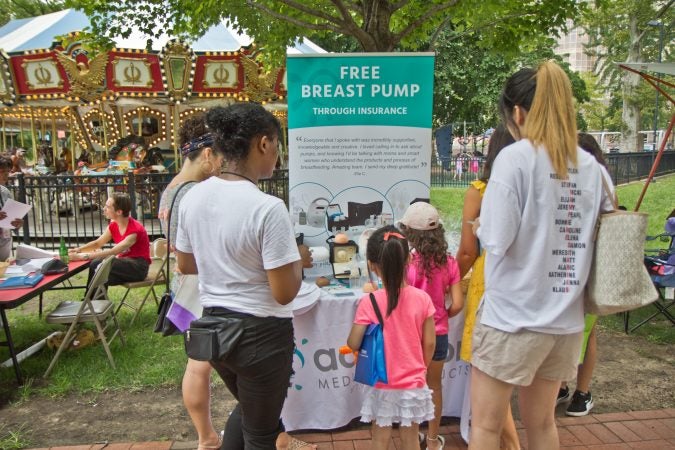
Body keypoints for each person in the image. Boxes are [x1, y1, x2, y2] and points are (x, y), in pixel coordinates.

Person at [469, 61, 614, 449]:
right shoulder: (591, 167)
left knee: (485, 426)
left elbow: (496, 239)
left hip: (511, 318)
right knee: (543, 425)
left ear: (517, 113)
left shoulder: (515, 158)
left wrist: (478, 226)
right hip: (565, 320)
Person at [174, 102, 306, 450]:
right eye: (278, 148)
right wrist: (298, 260)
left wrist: (227, 260)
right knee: (263, 435)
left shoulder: (192, 198)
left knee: (251, 414)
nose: (277, 158)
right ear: (264, 143)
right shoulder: (267, 207)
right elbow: (284, 293)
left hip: (216, 333)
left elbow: (185, 264)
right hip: (261, 336)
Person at [157, 114, 225, 450]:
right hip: (203, 285)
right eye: (221, 153)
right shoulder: (197, 194)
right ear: (207, 153)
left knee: (198, 363)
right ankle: (207, 438)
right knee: (200, 365)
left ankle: (206, 435)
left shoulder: (170, 190)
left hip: (182, 286)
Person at [455, 124, 520, 450]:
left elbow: (467, 251)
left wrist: (449, 280)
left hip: (490, 284)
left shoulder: (480, 191)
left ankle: (512, 445)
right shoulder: (538, 186)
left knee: (489, 378)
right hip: (529, 286)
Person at [347, 225, 436, 450]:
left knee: (380, 437)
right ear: (408, 259)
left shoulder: (369, 301)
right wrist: (420, 367)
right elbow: (430, 343)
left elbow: (353, 343)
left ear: (373, 266)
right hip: (413, 380)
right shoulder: (423, 299)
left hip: (381, 380)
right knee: (411, 439)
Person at [557, 132, 617, 417]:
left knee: (582, 331)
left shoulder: (591, 180)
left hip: (580, 268)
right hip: (573, 267)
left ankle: (579, 390)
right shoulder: (586, 182)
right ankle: (567, 387)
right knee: (575, 331)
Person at [398, 201, 464, 450]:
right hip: (438, 334)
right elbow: (458, 303)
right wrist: (442, 315)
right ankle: (434, 440)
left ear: (410, 234)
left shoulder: (407, 263)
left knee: (413, 387)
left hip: (411, 335)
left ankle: (413, 438)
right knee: (435, 385)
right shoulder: (449, 263)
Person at [69, 192, 151, 288]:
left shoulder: (135, 230)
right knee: (98, 267)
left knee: (99, 264)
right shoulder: (114, 225)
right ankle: (95, 300)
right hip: (123, 263)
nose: (104, 209)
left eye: (107, 207)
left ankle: (93, 300)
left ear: (119, 212)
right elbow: (98, 243)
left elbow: (113, 252)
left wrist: (82, 257)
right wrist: (78, 250)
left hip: (138, 268)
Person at [0, 155, 24, 261]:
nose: (6, 175)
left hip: (4, 244)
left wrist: (17, 224)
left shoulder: (5, 192)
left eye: (7, 171)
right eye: (2, 171)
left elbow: (10, 219)